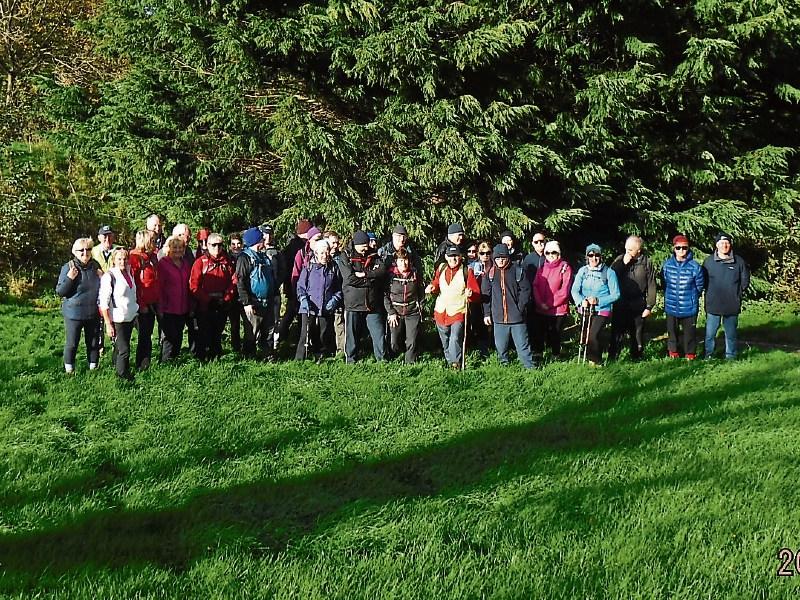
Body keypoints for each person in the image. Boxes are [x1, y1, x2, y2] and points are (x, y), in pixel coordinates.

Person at [426, 245, 480, 368]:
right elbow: (436, 283)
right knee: (445, 340)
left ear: (460, 257)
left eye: (455, 256)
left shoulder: (466, 271)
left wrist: (471, 294)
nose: (453, 259)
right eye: (450, 256)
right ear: (446, 257)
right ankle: (450, 361)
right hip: (441, 311)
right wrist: (432, 287)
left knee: (455, 338)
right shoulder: (441, 268)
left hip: (458, 311)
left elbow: (476, 293)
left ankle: (455, 363)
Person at [481, 244, 535, 368]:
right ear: (494, 259)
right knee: (501, 347)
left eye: (503, 258)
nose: (500, 261)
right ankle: (503, 368)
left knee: (523, 346)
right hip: (498, 318)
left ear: (508, 258)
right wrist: (487, 314)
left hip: (517, 318)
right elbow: (486, 296)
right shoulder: (490, 274)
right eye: (498, 258)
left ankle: (530, 368)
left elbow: (526, 290)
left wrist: (519, 308)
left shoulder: (518, 271)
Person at [340, 230, 387, 363]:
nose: (366, 248)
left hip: (371, 302)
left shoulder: (373, 255)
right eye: (363, 246)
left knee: (378, 333)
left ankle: (382, 359)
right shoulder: (346, 256)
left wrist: (366, 275)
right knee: (352, 335)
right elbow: (350, 279)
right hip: (353, 302)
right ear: (356, 244)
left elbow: (381, 271)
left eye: (367, 245)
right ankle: (351, 359)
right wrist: (370, 281)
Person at [56, 238, 102, 373]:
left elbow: (105, 286)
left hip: (93, 312)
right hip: (74, 313)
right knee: (72, 343)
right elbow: (60, 292)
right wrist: (70, 279)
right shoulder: (68, 267)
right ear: (74, 252)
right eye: (81, 250)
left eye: (88, 249)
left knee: (93, 342)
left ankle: (93, 368)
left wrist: (103, 277)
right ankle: (69, 370)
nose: (85, 253)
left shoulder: (95, 265)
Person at [571, 244, 621, 366]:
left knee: (593, 335)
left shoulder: (609, 273)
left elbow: (616, 294)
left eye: (597, 255)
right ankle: (589, 359)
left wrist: (598, 301)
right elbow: (574, 290)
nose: (594, 258)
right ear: (587, 257)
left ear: (601, 256)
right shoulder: (583, 271)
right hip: (585, 309)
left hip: (602, 309)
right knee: (585, 335)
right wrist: (580, 301)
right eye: (591, 255)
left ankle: (596, 361)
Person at [608, 235, 657, 361]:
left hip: (638, 303)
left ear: (638, 250)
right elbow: (610, 276)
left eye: (630, 250)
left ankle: (636, 356)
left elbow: (651, 284)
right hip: (621, 302)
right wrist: (622, 264)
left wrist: (649, 306)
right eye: (626, 249)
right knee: (617, 332)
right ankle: (613, 357)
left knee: (637, 333)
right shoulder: (620, 259)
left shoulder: (646, 263)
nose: (627, 252)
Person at [189, 232, 237, 361]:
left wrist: (226, 298)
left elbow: (233, 281)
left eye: (220, 245)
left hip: (222, 303)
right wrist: (207, 300)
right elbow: (194, 285)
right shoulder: (200, 262)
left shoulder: (226, 262)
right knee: (204, 333)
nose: (217, 248)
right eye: (214, 245)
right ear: (208, 245)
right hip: (205, 305)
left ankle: (216, 358)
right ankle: (202, 360)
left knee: (217, 332)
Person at [703, 232, 750, 360]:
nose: (724, 245)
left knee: (731, 334)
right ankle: (708, 355)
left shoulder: (739, 261)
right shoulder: (708, 262)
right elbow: (703, 281)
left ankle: (731, 356)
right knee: (710, 334)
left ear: (730, 245)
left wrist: (737, 293)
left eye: (727, 243)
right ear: (716, 245)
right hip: (713, 303)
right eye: (722, 243)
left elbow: (745, 281)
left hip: (732, 303)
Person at [295, 239, 343, 360]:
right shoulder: (308, 267)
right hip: (309, 306)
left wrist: (334, 300)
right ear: (316, 253)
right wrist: (303, 299)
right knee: (305, 334)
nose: (324, 255)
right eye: (321, 253)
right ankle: (300, 359)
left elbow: (339, 288)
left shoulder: (334, 267)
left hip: (326, 306)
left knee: (324, 333)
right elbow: (300, 286)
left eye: (326, 252)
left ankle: (322, 356)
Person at [661, 235, 705, 359]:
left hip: (689, 306)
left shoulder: (695, 267)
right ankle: (673, 352)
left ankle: (690, 354)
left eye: (684, 248)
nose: (681, 250)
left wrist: (692, 297)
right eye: (678, 248)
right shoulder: (667, 265)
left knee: (689, 333)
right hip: (671, 304)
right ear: (674, 249)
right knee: (672, 331)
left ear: (688, 249)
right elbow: (664, 284)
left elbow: (699, 286)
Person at [236, 227, 277, 360]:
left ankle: (267, 355)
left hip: (267, 301)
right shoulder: (244, 258)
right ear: (256, 241)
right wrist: (246, 302)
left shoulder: (263, 256)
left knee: (268, 330)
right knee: (251, 332)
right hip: (253, 302)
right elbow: (240, 281)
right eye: (261, 238)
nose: (264, 240)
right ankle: (249, 357)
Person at [98, 248, 139, 380]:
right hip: (118, 318)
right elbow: (103, 302)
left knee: (120, 345)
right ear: (114, 260)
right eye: (119, 259)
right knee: (124, 350)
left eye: (125, 258)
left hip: (130, 316)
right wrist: (108, 324)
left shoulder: (129, 272)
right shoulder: (109, 276)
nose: (123, 261)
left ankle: (115, 365)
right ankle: (123, 376)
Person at [532, 241, 572, 360]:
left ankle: (556, 355)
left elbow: (564, 290)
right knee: (539, 332)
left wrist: (549, 304)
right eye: (548, 253)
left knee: (555, 333)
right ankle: (538, 355)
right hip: (541, 308)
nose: (550, 255)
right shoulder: (542, 267)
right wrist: (540, 303)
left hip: (558, 309)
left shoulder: (565, 268)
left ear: (558, 253)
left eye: (553, 252)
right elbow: (535, 285)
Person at [385, 248, 425, 364]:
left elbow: (421, 291)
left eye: (406, 260)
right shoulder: (390, 276)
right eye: (401, 260)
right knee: (394, 342)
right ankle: (394, 360)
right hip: (395, 311)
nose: (404, 263)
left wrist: (421, 305)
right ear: (396, 262)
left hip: (412, 311)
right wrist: (391, 312)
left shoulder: (415, 274)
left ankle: (410, 362)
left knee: (412, 340)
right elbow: (385, 295)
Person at [277, 219, 314, 344]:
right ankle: (290, 338)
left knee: (291, 312)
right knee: (294, 313)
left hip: (292, 284)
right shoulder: (299, 248)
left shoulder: (290, 246)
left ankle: (285, 338)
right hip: (296, 284)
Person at [129, 229, 160, 370]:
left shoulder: (152, 257)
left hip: (152, 301)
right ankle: (139, 364)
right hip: (140, 303)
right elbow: (133, 283)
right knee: (143, 334)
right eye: (151, 241)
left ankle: (145, 364)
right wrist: (140, 304)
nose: (154, 243)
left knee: (147, 334)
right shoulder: (134, 258)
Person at [157, 237, 192, 361]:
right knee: (169, 336)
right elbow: (159, 286)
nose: (177, 250)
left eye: (180, 247)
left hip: (182, 306)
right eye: (175, 247)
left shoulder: (185, 264)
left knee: (179, 334)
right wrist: (160, 307)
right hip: (168, 306)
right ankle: (166, 361)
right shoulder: (163, 263)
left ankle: (175, 359)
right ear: (169, 249)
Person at [261, 224, 287, 349]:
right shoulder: (257, 252)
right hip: (260, 294)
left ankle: (272, 346)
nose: (268, 237)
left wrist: (276, 284)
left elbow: (283, 271)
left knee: (274, 320)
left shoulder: (278, 253)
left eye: (270, 234)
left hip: (274, 292)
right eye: (265, 234)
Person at [523, 231, 548, 350]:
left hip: (547, 295)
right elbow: (523, 278)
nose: (539, 244)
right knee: (533, 323)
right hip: (532, 296)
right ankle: (534, 348)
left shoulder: (550, 256)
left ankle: (549, 347)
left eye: (541, 241)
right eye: (536, 242)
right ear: (532, 244)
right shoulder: (528, 259)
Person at [325, 230, 346, 354]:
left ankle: (341, 351)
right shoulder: (320, 256)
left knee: (339, 323)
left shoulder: (341, 258)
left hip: (339, 294)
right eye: (333, 243)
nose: (336, 246)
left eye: (337, 243)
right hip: (324, 296)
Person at [227, 232, 244, 352]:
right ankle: (235, 346)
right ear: (230, 246)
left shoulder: (245, 257)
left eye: (238, 244)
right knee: (234, 323)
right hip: (232, 294)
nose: (236, 246)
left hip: (243, 294)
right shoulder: (227, 259)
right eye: (233, 244)